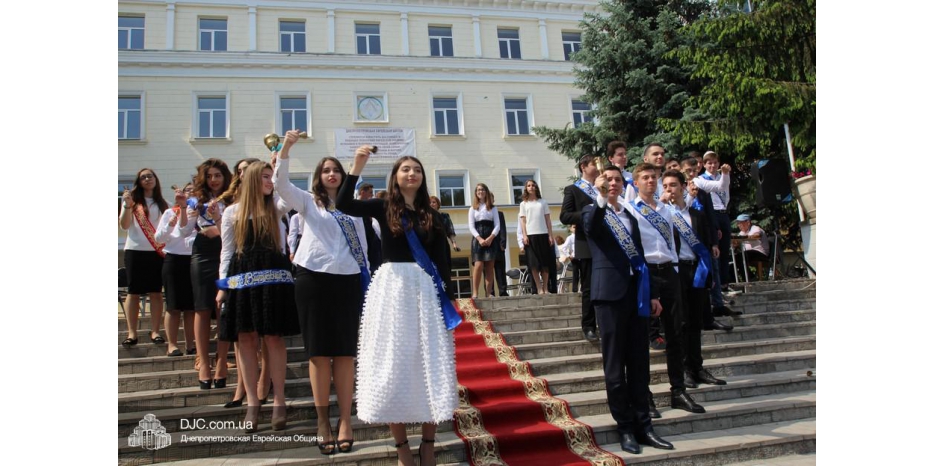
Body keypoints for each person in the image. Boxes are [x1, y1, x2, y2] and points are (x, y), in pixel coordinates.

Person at [337, 146, 458, 466]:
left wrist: (447, 298)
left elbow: (441, 261)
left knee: (429, 363)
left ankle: (428, 443)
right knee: (393, 365)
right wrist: (357, 167)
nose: (411, 173)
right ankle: (402, 445)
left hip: (424, 293)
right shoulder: (382, 206)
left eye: (416, 169)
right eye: (405, 169)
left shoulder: (431, 216)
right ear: (395, 177)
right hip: (391, 292)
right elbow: (344, 203)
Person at [275, 131, 369, 454]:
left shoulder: (355, 209)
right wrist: (285, 147)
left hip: (347, 282)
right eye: (326, 170)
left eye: (336, 170)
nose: (332, 174)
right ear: (319, 177)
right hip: (312, 281)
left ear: (344, 177)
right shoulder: (307, 202)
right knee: (318, 353)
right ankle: (321, 421)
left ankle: (345, 420)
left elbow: (365, 253)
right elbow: (280, 185)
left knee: (344, 353)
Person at [581, 165, 673, 454]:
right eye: (607, 179)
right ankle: (625, 428)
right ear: (599, 184)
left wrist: (653, 294)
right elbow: (591, 227)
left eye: (617, 180)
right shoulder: (592, 211)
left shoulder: (630, 215)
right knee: (614, 368)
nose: (613, 183)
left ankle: (645, 426)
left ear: (623, 184)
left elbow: (641, 257)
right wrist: (598, 195)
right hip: (609, 297)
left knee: (639, 364)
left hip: (636, 296)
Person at [217, 160, 300, 433]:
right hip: (242, 274)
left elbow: (287, 194)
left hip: (273, 273)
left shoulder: (275, 206)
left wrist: (282, 159)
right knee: (245, 336)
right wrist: (222, 285)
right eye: (265, 177)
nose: (269, 182)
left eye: (271, 177)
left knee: (273, 336)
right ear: (253, 179)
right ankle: (252, 401)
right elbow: (227, 251)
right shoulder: (231, 212)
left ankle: (279, 400)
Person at [624, 163, 706, 418]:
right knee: (641, 337)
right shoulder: (630, 210)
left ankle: (678, 390)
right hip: (646, 273)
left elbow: (672, 241)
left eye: (654, 177)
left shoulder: (667, 210)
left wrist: (676, 268)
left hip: (669, 271)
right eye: (645, 178)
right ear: (636, 183)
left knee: (676, 331)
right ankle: (644, 394)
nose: (651, 181)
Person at [661, 170, 728, 388]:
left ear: (683, 187)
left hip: (696, 271)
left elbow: (705, 246)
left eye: (673, 185)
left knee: (695, 322)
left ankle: (697, 366)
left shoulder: (696, 215)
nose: (669, 189)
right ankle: (684, 369)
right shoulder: (664, 215)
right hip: (676, 272)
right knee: (680, 322)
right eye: (665, 185)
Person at [180, 159, 232, 389]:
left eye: (218, 175)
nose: (213, 180)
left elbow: (233, 230)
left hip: (226, 252)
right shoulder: (196, 201)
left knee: (223, 308)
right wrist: (183, 209)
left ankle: (221, 361)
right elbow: (182, 231)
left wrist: (217, 226)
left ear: (225, 176)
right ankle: (203, 363)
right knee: (201, 307)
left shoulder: (233, 199)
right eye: (209, 176)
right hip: (202, 254)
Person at [681, 157, 734, 331]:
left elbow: (710, 217)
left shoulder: (703, 190)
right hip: (685, 245)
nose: (691, 174)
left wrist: (714, 243)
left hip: (703, 242)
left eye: (694, 171)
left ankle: (713, 312)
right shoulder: (678, 192)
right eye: (687, 171)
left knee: (710, 276)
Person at [120, 168, 169, 347]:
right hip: (134, 251)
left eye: (150, 176)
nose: (147, 179)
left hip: (157, 252)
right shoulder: (133, 203)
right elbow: (124, 225)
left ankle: (155, 330)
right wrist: (127, 205)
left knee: (156, 292)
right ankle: (132, 333)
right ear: (139, 182)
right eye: (143, 177)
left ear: (156, 179)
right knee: (133, 293)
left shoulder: (165, 204)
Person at [154, 183, 197, 357]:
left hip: (194, 260)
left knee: (191, 307)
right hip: (173, 259)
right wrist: (170, 225)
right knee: (173, 306)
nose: (190, 194)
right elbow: (159, 238)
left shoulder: (201, 213)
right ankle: (172, 344)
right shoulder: (170, 213)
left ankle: (190, 344)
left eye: (194, 191)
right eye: (188, 191)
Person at [560, 155, 600, 342]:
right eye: (595, 164)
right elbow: (565, 216)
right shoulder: (574, 190)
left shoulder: (604, 186)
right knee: (589, 288)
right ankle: (589, 325)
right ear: (584, 167)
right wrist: (587, 213)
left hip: (607, 243)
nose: (599, 167)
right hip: (587, 243)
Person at [691, 151, 733, 295]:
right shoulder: (700, 179)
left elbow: (724, 188)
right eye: (709, 163)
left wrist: (726, 174)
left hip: (723, 212)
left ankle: (725, 282)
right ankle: (716, 285)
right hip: (712, 214)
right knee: (715, 250)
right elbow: (718, 187)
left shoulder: (722, 176)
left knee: (725, 249)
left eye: (715, 162)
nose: (713, 165)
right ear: (703, 165)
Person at [519, 179, 555, 295]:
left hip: (543, 234)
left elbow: (548, 220)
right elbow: (523, 221)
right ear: (526, 188)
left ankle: (545, 288)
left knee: (545, 263)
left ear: (536, 187)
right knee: (533, 264)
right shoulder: (523, 204)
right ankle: (539, 288)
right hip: (530, 236)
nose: (531, 187)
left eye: (533, 185)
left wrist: (550, 235)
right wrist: (524, 235)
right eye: (529, 185)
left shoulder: (543, 202)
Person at [468, 183, 500, 298]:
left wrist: (491, 238)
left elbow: (497, 225)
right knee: (478, 265)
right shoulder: (472, 208)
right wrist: (479, 238)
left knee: (490, 266)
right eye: (478, 190)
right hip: (478, 239)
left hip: (490, 238)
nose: (480, 192)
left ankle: (488, 293)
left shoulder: (493, 208)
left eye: (482, 190)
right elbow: (471, 226)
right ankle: (475, 292)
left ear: (486, 192)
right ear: (476, 193)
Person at [735, 214, 770, 280]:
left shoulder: (755, 228)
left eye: (740, 223)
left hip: (760, 253)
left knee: (741, 257)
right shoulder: (742, 232)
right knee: (734, 259)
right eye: (738, 223)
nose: (738, 225)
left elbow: (756, 235)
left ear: (748, 222)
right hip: (750, 254)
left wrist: (746, 238)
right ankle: (746, 278)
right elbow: (737, 241)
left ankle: (749, 278)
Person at [359, 183, 384, 274]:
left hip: (371, 244)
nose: (372, 195)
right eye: (370, 193)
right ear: (362, 193)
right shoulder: (355, 208)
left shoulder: (369, 207)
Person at [494, 207, 508, 296]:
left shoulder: (499, 214)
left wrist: (503, 243)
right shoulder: (482, 213)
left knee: (500, 270)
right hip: (486, 246)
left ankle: (503, 291)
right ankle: (490, 292)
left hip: (498, 246)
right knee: (488, 271)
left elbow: (502, 229)